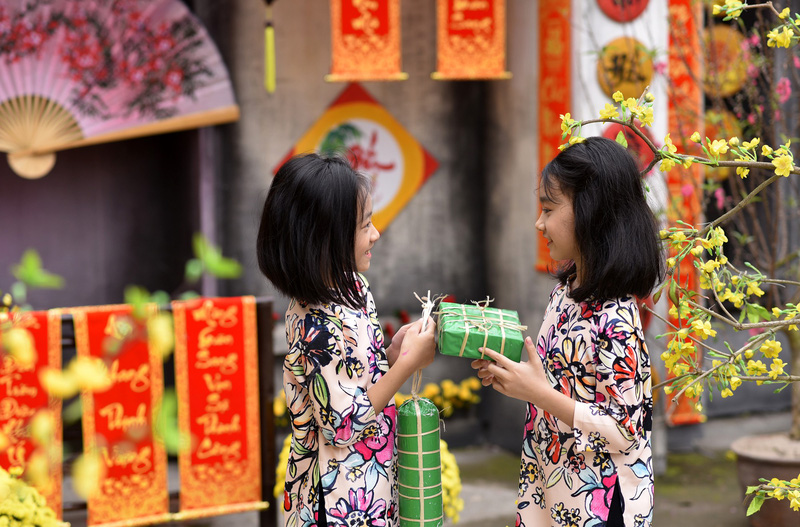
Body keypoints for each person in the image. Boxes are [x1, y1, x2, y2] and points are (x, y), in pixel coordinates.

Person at [472, 136, 664, 527]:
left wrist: (537, 393)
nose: (538, 223)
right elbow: (557, 384)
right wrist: (513, 376)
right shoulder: (567, 290)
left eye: (548, 209)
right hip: (553, 489)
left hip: (599, 502)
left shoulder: (616, 316)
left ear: (592, 211)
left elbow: (625, 429)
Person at [257, 153, 436, 527]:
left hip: (369, 483)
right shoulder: (314, 326)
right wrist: (406, 364)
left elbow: (357, 378)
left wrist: (391, 352)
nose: (376, 234)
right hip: (336, 500)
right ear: (326, 238)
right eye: (365, 225)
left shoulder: (351, 287)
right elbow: (343, 425)